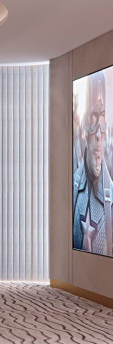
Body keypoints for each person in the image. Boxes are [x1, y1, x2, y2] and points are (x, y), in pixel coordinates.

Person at [73, 70, 113, 256]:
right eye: (94, 119)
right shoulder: (74, 186)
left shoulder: (110, 197)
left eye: (102, 119)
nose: (98, 134)